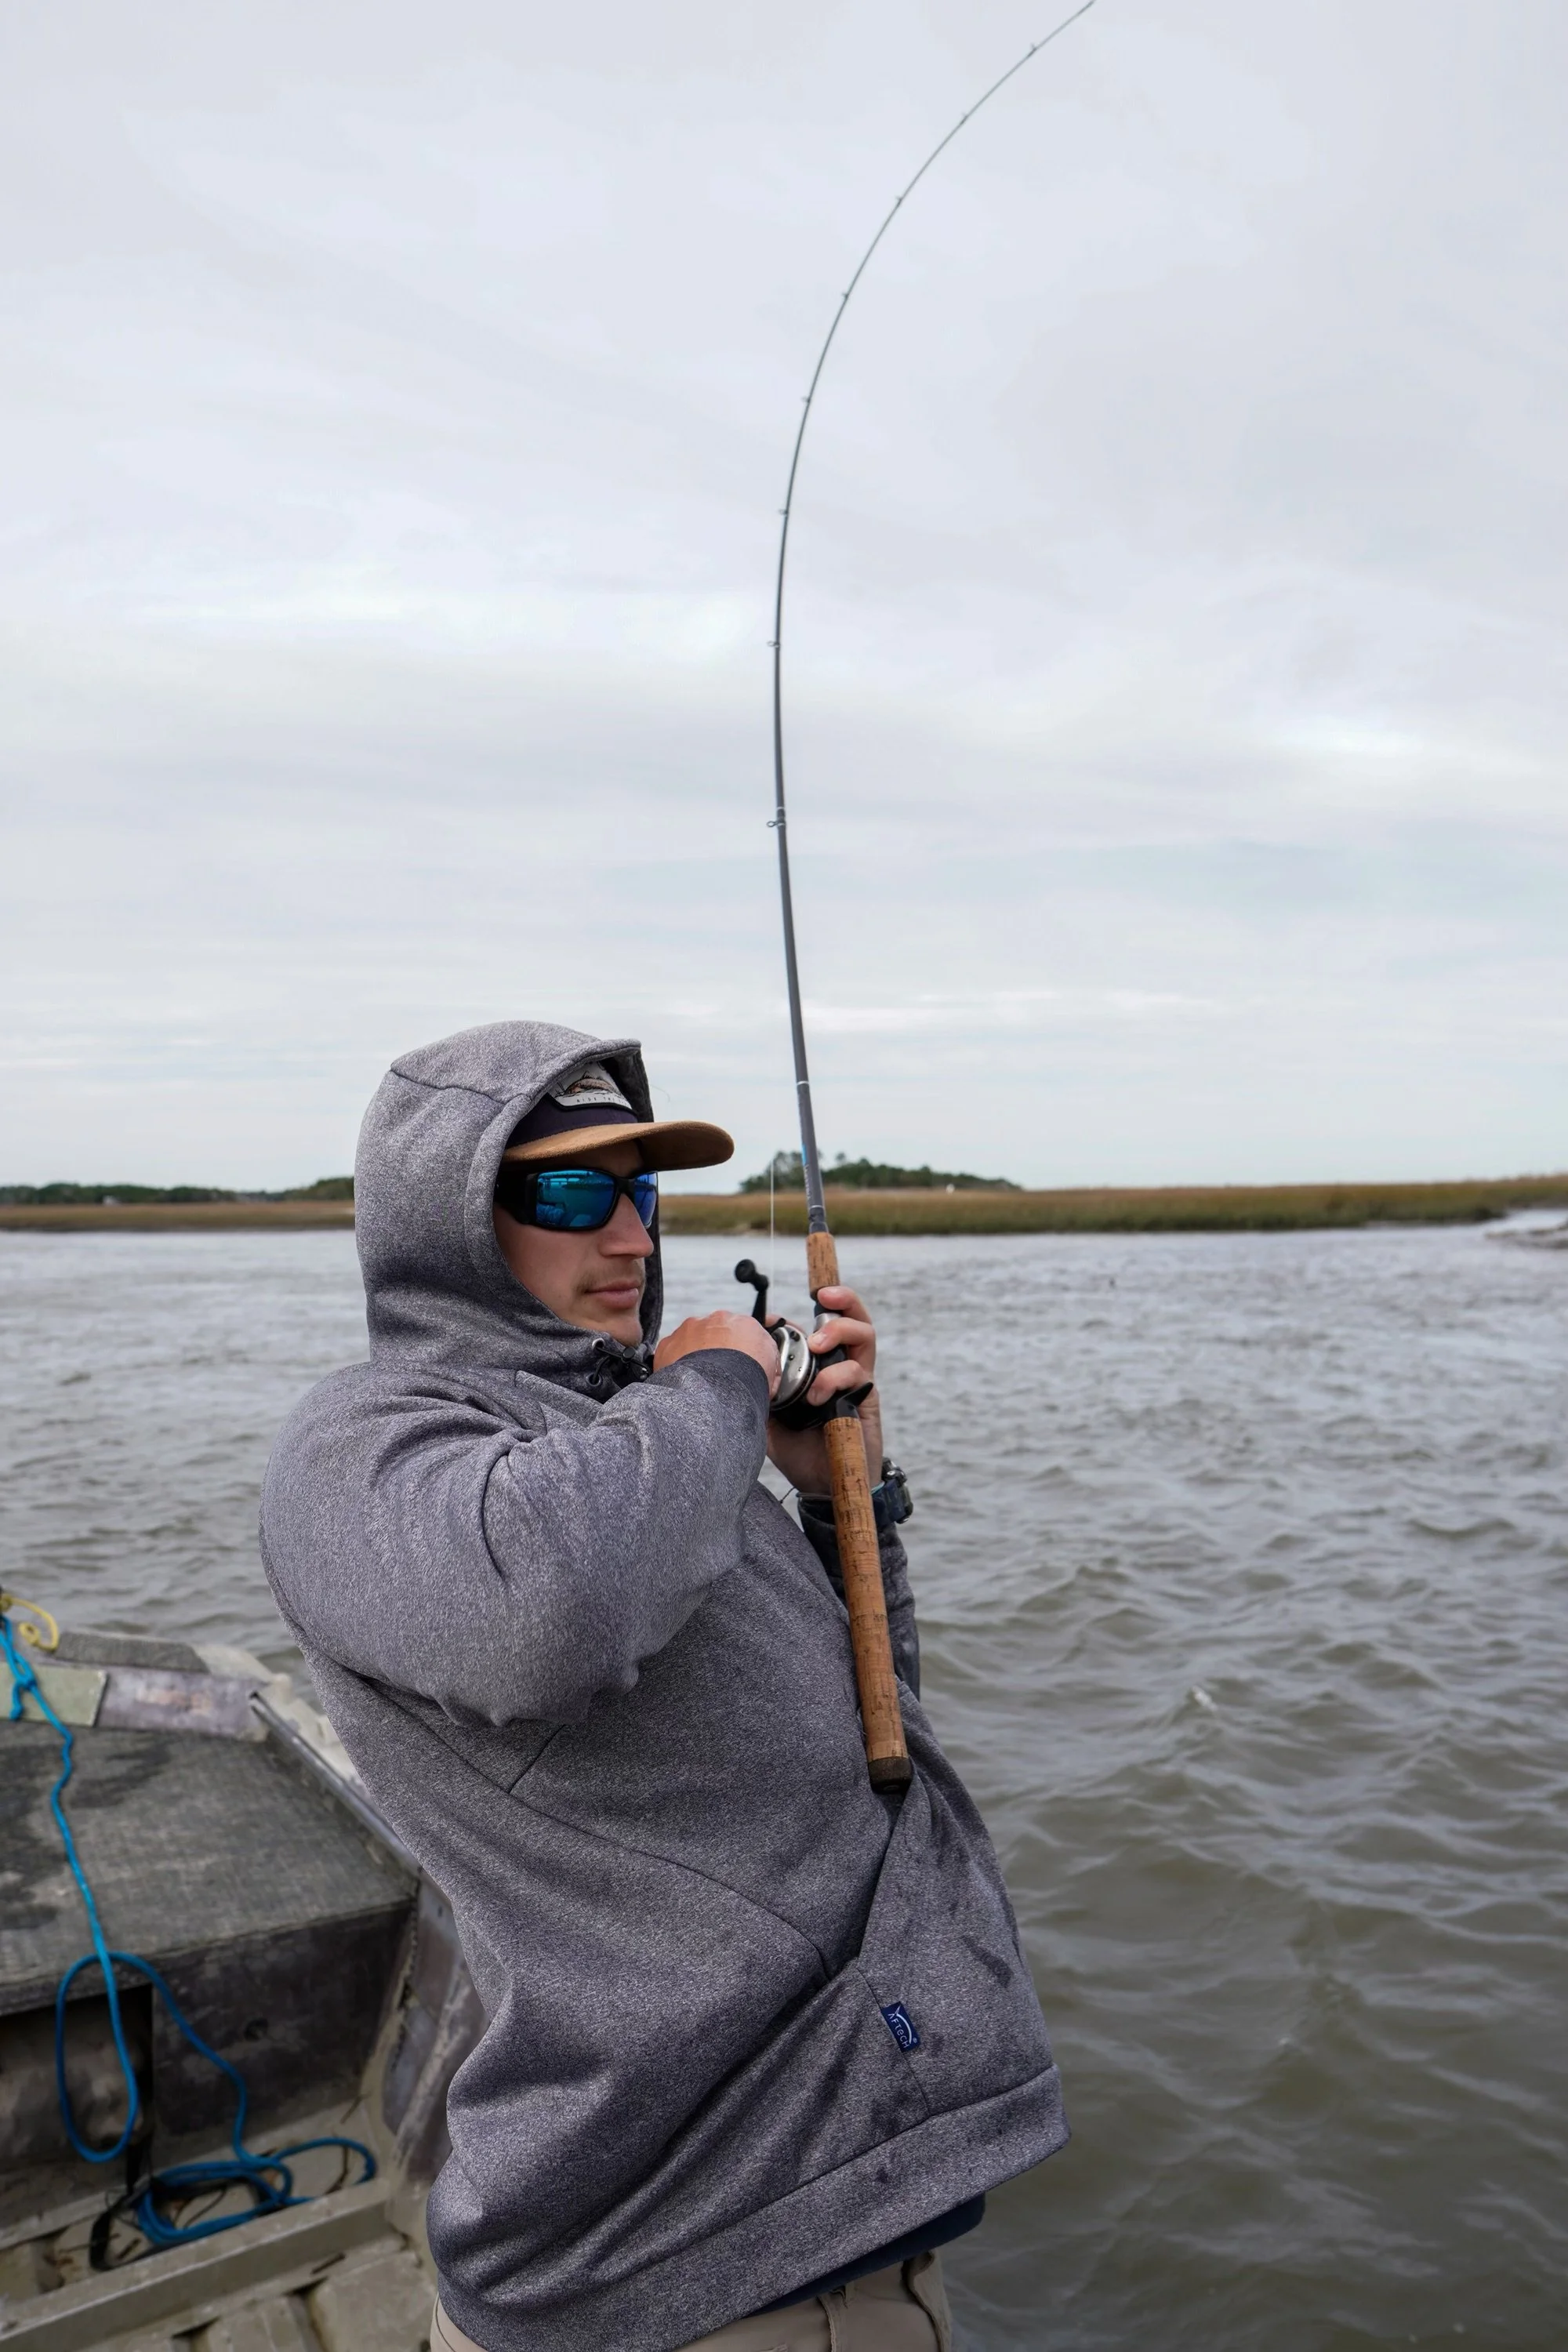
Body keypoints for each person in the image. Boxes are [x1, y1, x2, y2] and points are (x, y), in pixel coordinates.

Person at [260, 1021, 1066, 2352]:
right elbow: (545, 1619)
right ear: (445, 1220)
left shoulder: (646, 1455)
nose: (630, 1237)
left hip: (856, 2208)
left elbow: (878, 1751)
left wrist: (845, 1504)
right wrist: (720, 1378)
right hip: (675, 2260)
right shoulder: (366, 1448)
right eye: (574, 1193)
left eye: (643, 1192)